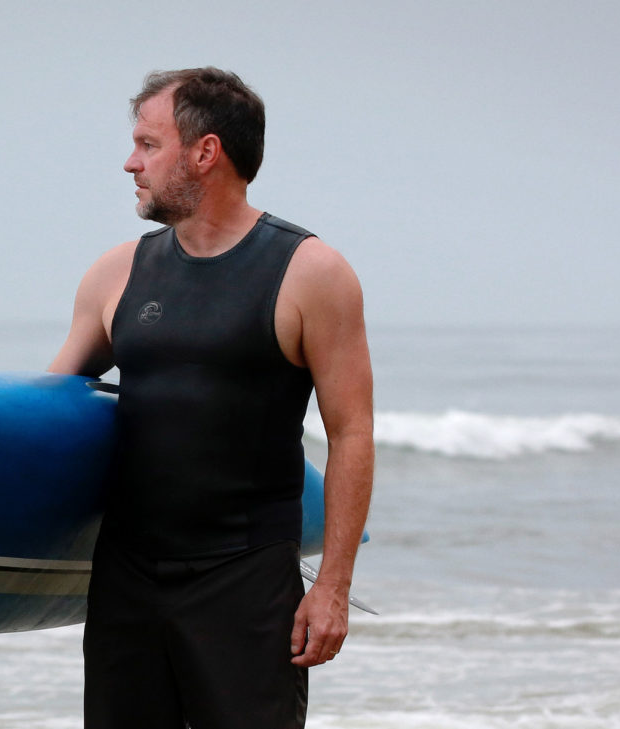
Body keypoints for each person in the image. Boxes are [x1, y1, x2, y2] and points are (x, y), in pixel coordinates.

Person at [48, 67, 375, 728]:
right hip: (126, 577)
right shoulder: (116, 273)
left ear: (206, 152)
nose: (129, 162)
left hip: (246, 579)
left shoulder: (311, 273)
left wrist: (333, 587)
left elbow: (352, 431)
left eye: (148, 144)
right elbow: (51, 409)